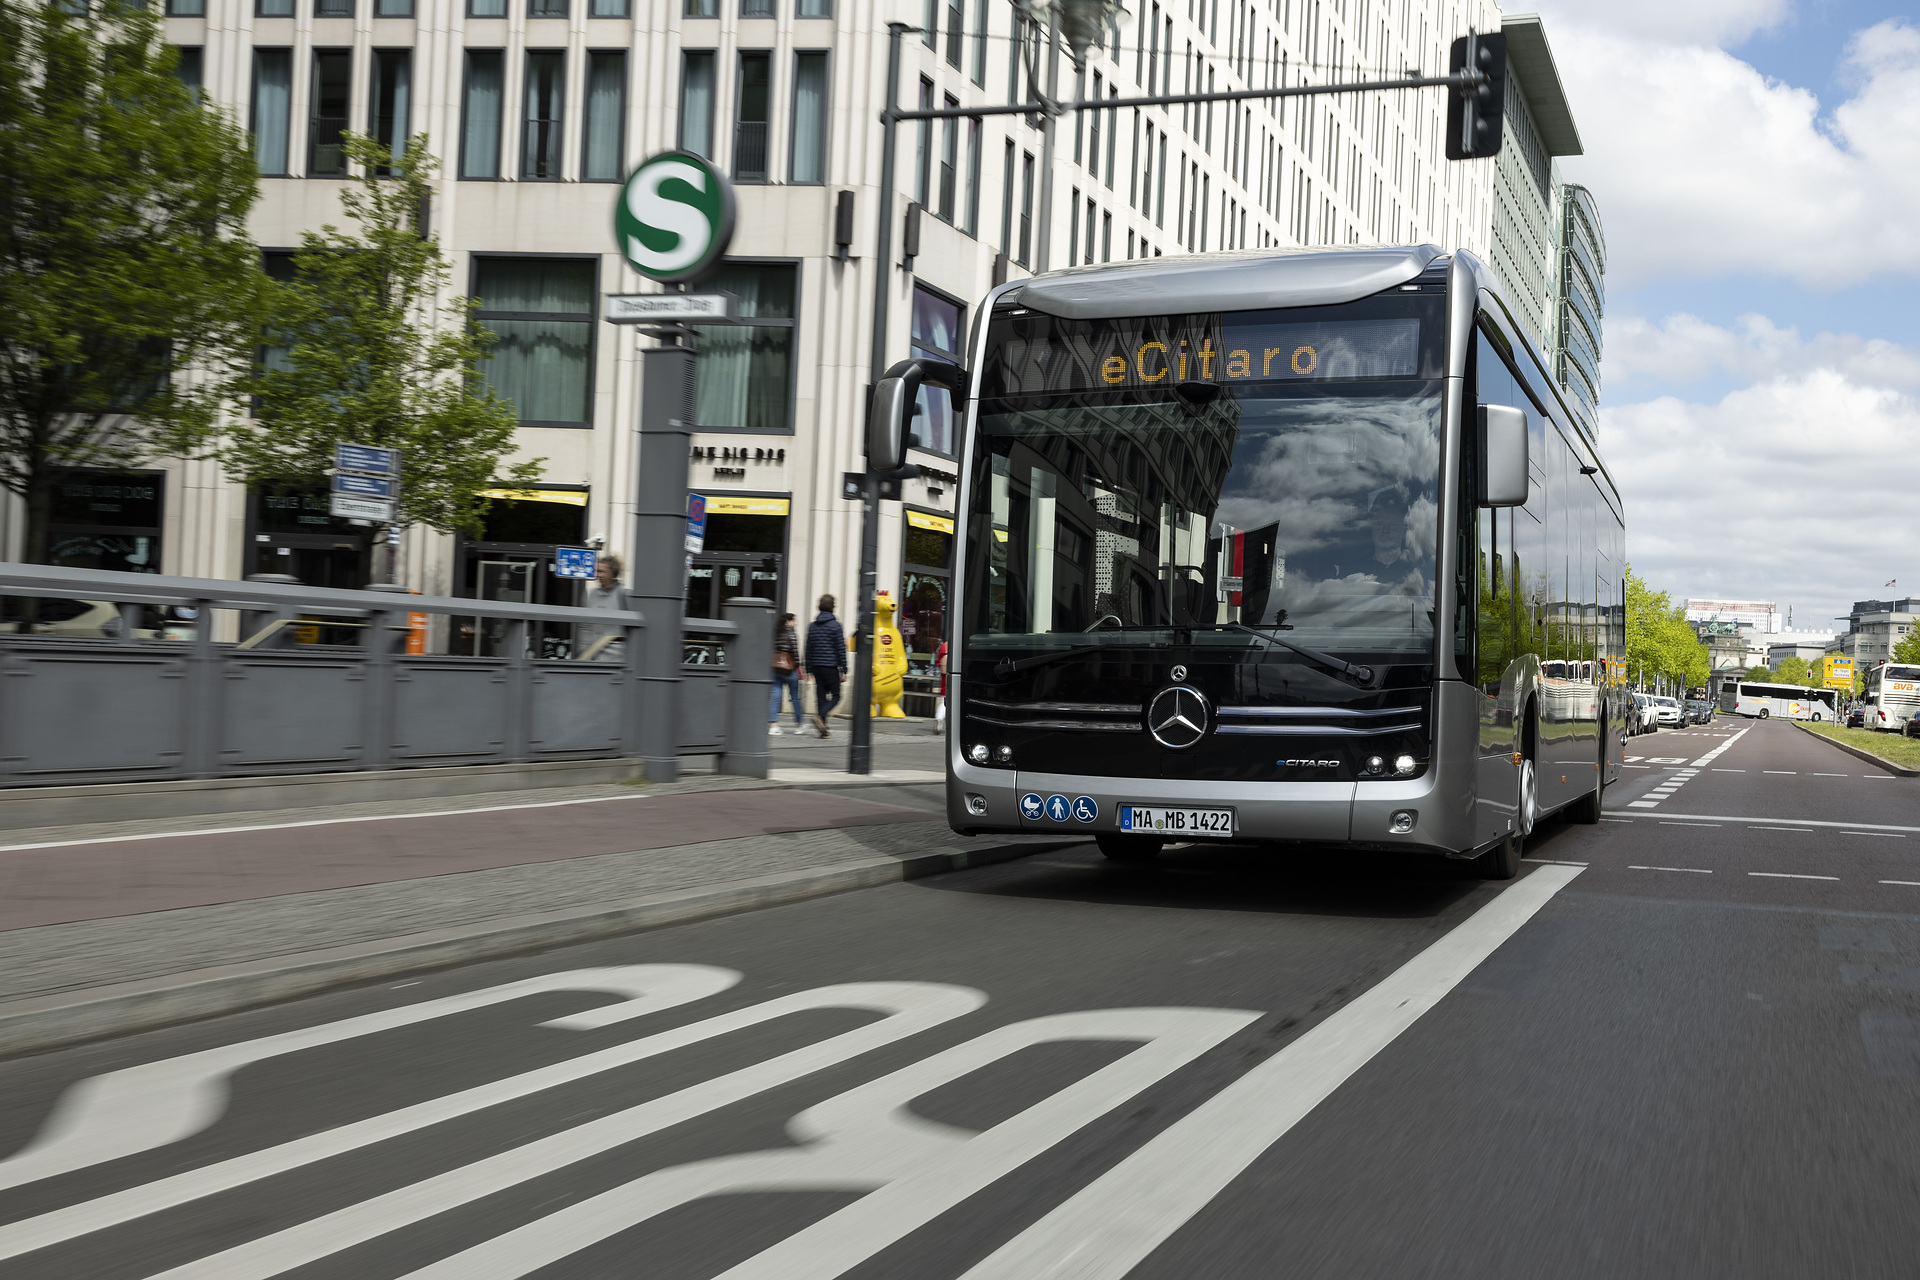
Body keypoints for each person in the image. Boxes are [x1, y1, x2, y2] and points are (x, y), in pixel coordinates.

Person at [804, 594, 847, 738]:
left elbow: (808, 647)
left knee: (821, 697)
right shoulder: (836, 626)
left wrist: (808, 668)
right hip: (831, 666)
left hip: (816, 666)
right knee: (836, 696)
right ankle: (820, 716)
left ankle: (824, 731)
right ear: (833, 607)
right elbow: (840, 648)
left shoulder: (812, 626)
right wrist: (844, 669)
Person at [575, 554, 627, 659]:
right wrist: (582, 648)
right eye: (597, 571)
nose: (598, 575)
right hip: (593, 654)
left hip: (616, 657)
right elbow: (585, 624)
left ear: (613, 573)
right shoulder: (592, 594)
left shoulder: (624, 594)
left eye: (602, 571)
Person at [769, 611, 803, 735]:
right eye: (794, 621)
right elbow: (795, 651)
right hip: (789, 669)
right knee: (795, 697)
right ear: (789, 621)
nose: (796, 623)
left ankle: (774, 725)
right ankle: (799, 725)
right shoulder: (791, 633)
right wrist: (798, 666)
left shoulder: (777, 632)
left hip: (776, 668)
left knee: (775, 695)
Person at [932, 638, 949, 735]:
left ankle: (938, 718)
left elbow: (939, 662)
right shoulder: (959, 644)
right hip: (956, 676)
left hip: (944, 677)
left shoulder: (944, 646)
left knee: (944, 701)